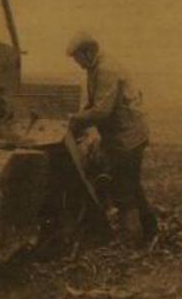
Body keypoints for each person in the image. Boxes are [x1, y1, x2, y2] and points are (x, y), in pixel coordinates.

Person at [66, 32, 158, 244]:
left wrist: (73, 121)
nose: (77, 63)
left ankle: (132, 239)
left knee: (123, 187)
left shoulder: (106, 69)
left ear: (88, 52)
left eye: (77, 58)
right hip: (127, 135)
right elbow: (93, 104)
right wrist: (78, 116)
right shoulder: (95, 67)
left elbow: (101, 111)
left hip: (127, 137)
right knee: (132, 184)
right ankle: (150, 230)